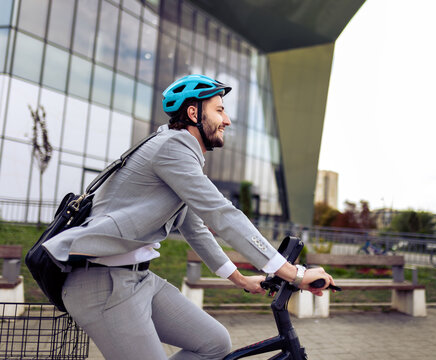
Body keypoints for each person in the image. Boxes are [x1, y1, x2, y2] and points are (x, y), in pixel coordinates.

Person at [43, 74, 334, 360]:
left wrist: (241, 280)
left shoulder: (178, 154)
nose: (227, 120)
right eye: (219, 110)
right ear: (194, 112)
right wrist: (294, 273)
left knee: (214, 343)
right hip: (102, 285)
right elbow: (221, 214)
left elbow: (196, 229)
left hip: (138, 279)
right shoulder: (172, 147)